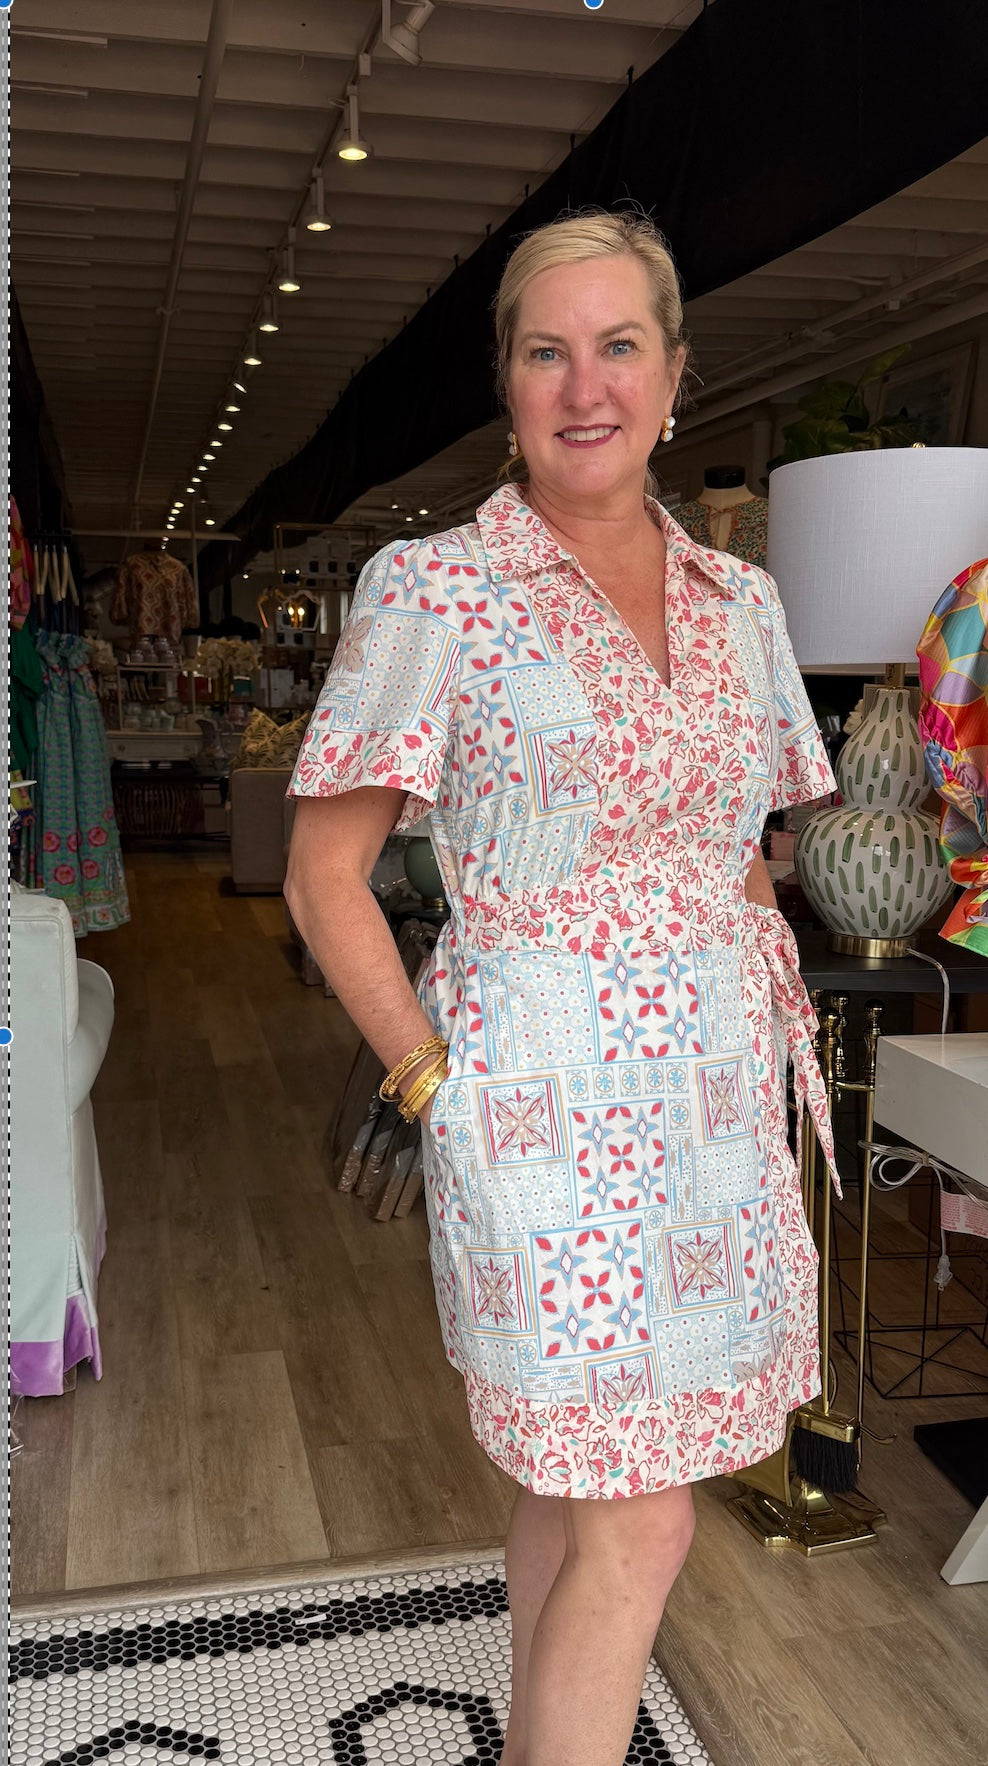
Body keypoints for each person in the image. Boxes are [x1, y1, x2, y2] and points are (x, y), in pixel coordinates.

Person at [285, 210, 841, 1766]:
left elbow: (746, 847)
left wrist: (732, 992)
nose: (583, 384)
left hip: (717, 1124)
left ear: (675, 374)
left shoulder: (749, 607)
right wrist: (429, 1082)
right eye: (546, 349)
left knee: (576, 1492)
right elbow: (328, 877)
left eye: (618, 345)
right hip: (533, 1112)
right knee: (646, 1520)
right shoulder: (434, 589)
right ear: (509, 382)